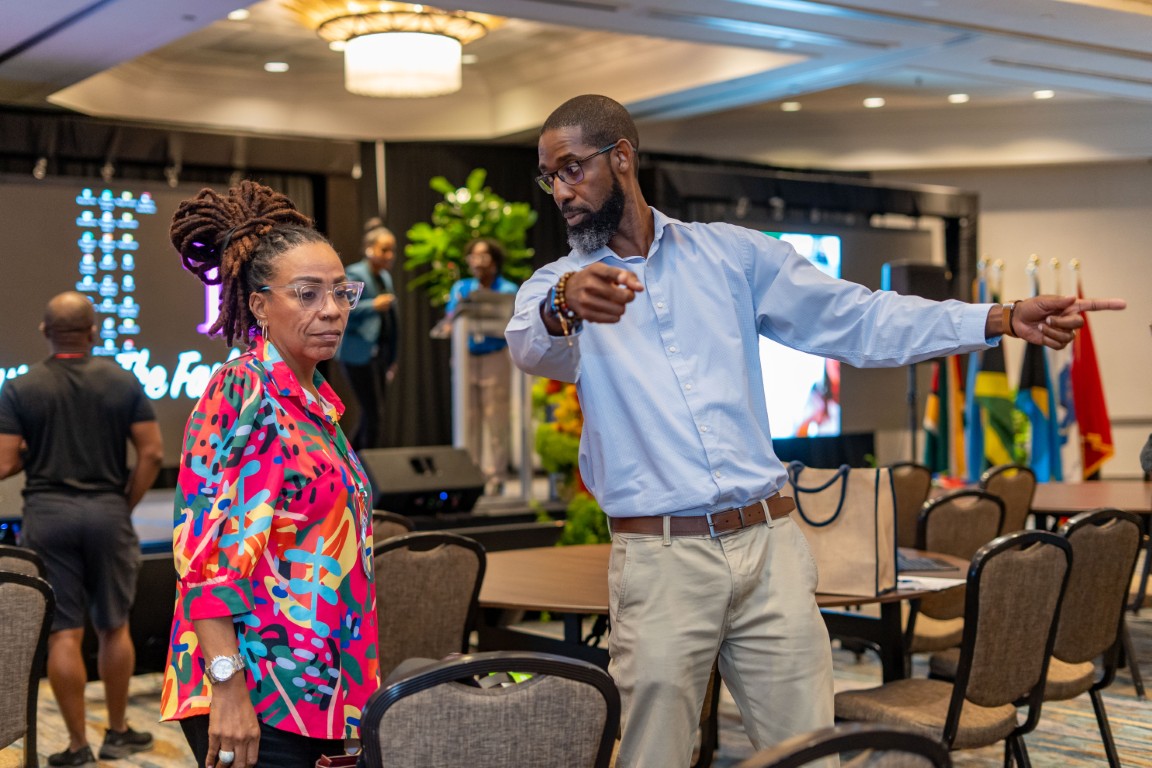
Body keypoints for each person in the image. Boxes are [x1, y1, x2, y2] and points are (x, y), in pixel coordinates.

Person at [505, 93, 1127, 768]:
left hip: (768, 548)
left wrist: (999, 318)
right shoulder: (559, 284)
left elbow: (861, 319)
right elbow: (531, 344)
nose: (560, 192)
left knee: (810, 754)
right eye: (549, 177)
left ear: (621, 157)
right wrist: (565, 304)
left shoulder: (732, 255)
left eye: (571, 169)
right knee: (651, 757)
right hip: (661, 560)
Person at [162, 181, 379, 768]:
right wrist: (228, 688)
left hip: (320, 689)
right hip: (259, 692)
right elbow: (205, 551)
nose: (331, 309)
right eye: (307, 294)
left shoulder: (316, 402)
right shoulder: (245, 389)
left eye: (341, 292)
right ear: (259, 306)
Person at [0, 291, 164, 767]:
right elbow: (153, 453)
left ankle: (77, 748)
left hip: (48, 516)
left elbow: (4, 462)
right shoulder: (123, 380)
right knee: (114, 626)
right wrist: (124, 502)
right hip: (107, 512)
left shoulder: (20, 387)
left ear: (45, 332)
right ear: (93, 331)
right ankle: (118, 733)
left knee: (64, 634)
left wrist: (32, 452)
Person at [445, 238, 520, 495]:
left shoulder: (507, 290)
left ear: (495, 262)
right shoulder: (461, 288)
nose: (477, 262)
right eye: (473, 257)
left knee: (496, 419)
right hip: (465, 358)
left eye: (483, 256)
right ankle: (471, 476)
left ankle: (496, 476)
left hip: (495, 358)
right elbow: (450, 320)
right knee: (468, 420)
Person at [337, 219, 399, 449]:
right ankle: (363, 464)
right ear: (369, 248)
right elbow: (342, 309)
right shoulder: (355, 273)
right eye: (384, 249)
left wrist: (392, 357)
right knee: (373, 414)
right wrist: (373, 305)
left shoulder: (385, 277)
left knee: (373, 413)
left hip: (380, 354)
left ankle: (351, 460)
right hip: (357, 353)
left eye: (392, 250)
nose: (390, 255)